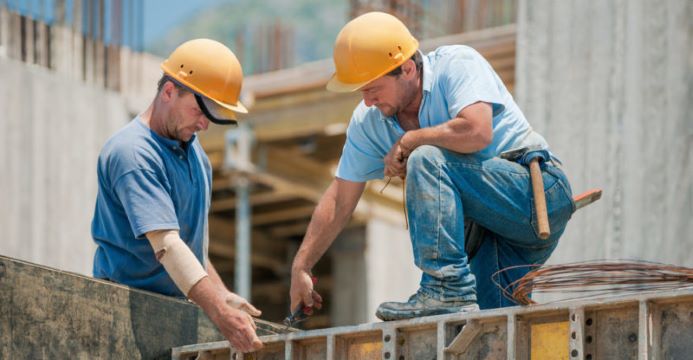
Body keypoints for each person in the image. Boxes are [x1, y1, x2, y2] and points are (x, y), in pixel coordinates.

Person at [289, 12, 575, 321]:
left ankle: (445, 289)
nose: (368, 101)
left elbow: (478, 131)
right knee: (493, 329)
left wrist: (412, 139)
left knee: (425, 158)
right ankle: (452, 293)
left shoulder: (456, 65)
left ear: (408, 68)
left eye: (373, 89)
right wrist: (301, 265)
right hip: (490, 234)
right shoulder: (369, 122)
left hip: (535, 194)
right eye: (362, 92)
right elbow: (339, 199)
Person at [91, 39, 263, 352]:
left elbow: (187, 247)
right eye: (199, 110)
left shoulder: (196, 157)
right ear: (169, 91)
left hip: (170, 315)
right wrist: (219, 313)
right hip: (122, 315)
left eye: (211, 116)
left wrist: (222, 295)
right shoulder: (133, 154)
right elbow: (167, 245)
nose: (204, 124)